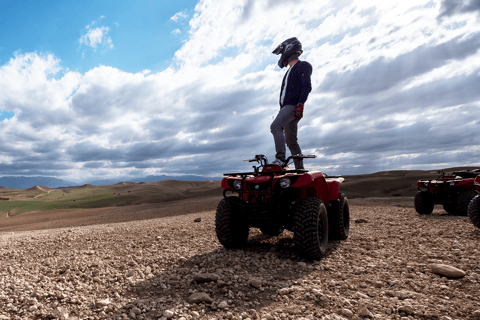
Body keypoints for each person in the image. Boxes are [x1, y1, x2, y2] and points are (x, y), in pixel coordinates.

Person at [271, 37, 312, 170]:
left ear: (289, 49)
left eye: (282, 52)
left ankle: (280, 159)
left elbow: (306, 86)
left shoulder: (303, 65)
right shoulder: (289, 71)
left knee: (275, 126)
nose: (282, 56)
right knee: (291, 141)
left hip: (292, 106)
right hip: (287, 108)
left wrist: (300, 104)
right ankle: (300, 169)